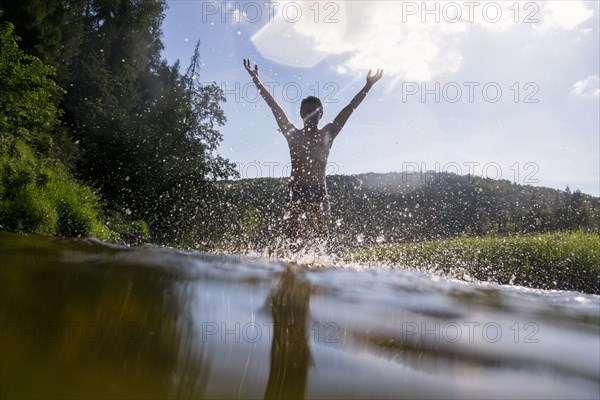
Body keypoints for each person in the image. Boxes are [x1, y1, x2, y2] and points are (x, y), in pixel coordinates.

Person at [243, 59, 383, 245]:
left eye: (314, 111)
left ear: (321, 114)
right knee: (294, 241)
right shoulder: (293, 134)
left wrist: (368, 85)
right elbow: (273, 105)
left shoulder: (328, 133)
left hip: (319, 190)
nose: (310, 114)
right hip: (296, 190)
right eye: (306, 111)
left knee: (322, 240)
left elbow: (350, 108)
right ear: (301, 114)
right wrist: (256, 80)